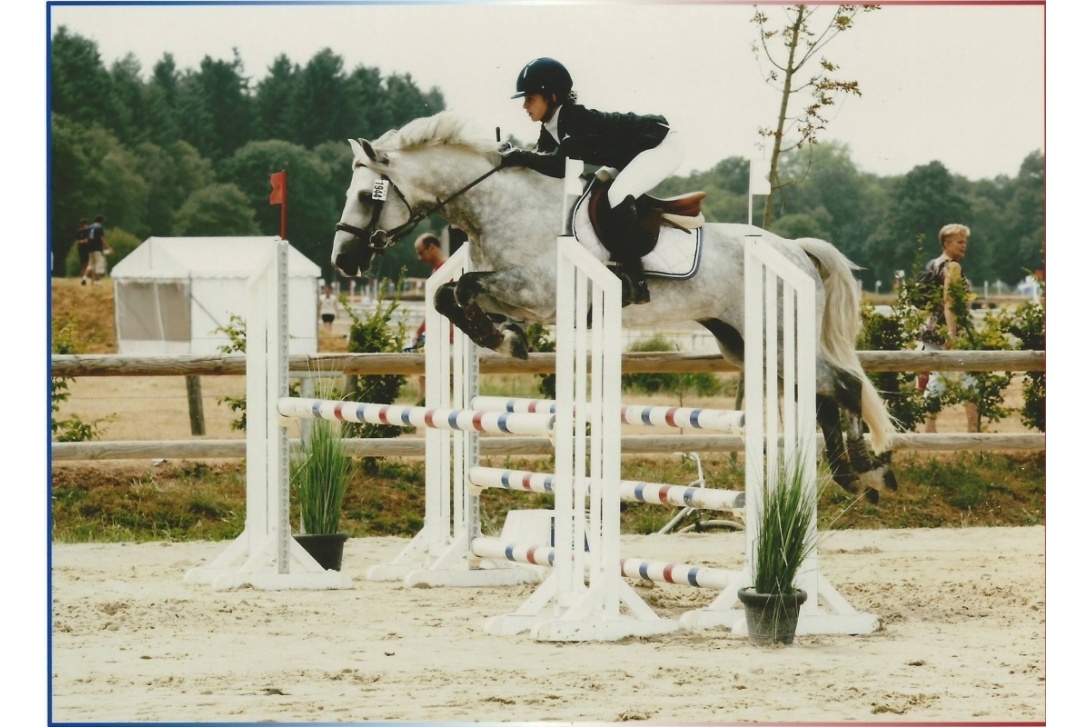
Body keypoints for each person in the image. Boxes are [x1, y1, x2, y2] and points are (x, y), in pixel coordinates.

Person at [499, 57, 684, 305]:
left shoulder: (575, 120)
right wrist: (508, 156)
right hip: (633, 155)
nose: (524, 105)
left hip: (661, 145)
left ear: (552, 97)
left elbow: (559, 167)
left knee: (616, 195)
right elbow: (539, 164)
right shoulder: (550, 127)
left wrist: (519, 155)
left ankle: (637, 283)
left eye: (530, 98)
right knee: (598, 187)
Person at [917, 223, 978, 433]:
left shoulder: (934, 264)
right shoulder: (953, 267)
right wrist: (952, 334)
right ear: (946, 243)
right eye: (960, 242)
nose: (964, 246)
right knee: (970, 380)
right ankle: (973, 432)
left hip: (931, 330)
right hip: (950, 332)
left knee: (936, 380)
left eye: (966, 242)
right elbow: (949, 300)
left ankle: (929, 429)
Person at [410, 232, 450, 402]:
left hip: (450, 337)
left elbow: (439, 307)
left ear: (432, 247)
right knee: (424, 376)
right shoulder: (437, 271)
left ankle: (419, 412)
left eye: (421, 252)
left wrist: (420, 331)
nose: (419, 258)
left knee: (426, 377)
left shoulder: (448, 270)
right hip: (440, 334)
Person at [85, 215, 112, 285]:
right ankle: (98, 282)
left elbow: (88, 239)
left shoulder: (90, 227)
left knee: (91, 265)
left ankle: (87, 279)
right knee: (99, 265)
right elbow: (102, 239)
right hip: (97, 249)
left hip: (90, 248)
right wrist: (108, 248)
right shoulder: (99, 228)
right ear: (101, 221)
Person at [75, 219, 91, 285]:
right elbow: (77, 241)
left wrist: (83, 241)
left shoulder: (89, 231)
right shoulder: (79, 232)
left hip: (88, 249)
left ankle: (86, 278)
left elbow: (89, 240)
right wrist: (82, 241)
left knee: (88, 264)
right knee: (84, 264)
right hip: (82, 249)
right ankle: (83, 278)